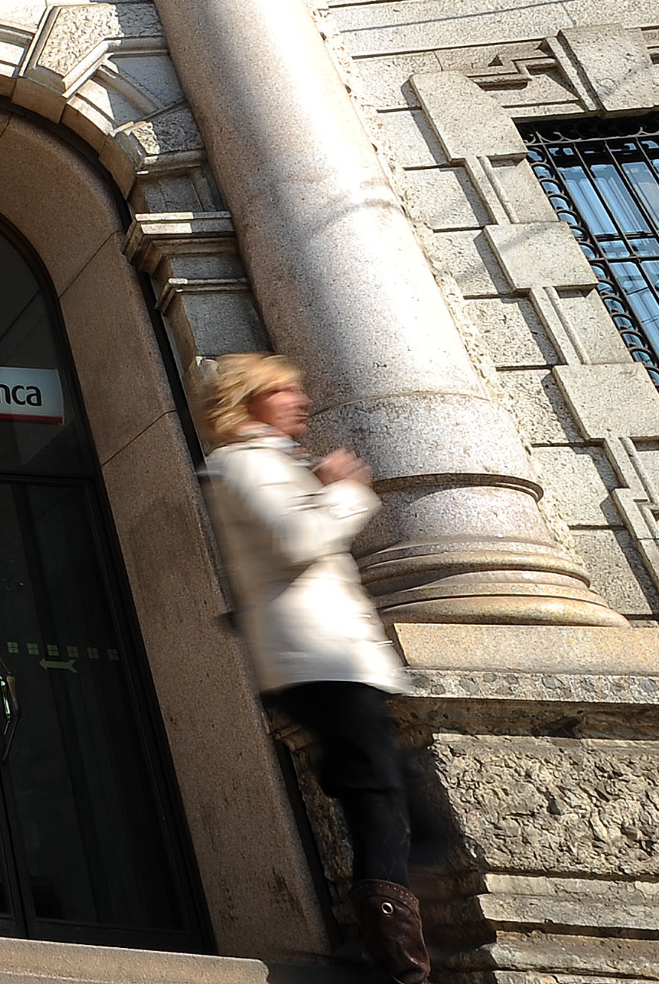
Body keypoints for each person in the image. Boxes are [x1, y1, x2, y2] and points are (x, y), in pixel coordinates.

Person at [197, 352, 446, 984]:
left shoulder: (272, 463)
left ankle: (375, 940)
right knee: (383, 795)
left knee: (406, 803)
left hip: (332, 660)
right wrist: (345, 492)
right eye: (284, 391)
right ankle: (393, 958)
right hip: (317, 662)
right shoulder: (243, 465)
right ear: (250, 400)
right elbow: (298, 542)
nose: (300, 401)